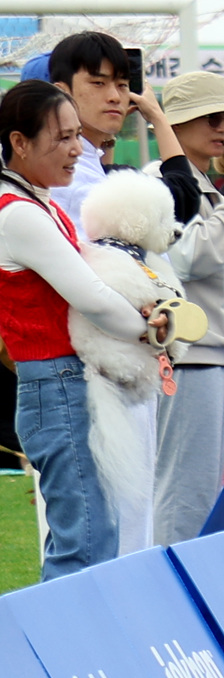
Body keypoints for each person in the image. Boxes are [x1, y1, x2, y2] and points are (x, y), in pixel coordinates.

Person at [0, 80, 169, 577]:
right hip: (56, 385)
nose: (78, 149)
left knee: (96, 536)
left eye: (78, 135)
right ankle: (58, 653)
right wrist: (151, 331)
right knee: (84, 543)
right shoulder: (18, 214)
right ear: (19, 143)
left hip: (68, 382)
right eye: (63, 138)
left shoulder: (41, 203)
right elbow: (92, 297)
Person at [145, 72, 224, 541]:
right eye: (209, 118)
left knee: (196, 490)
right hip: (188, 353)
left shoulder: (200, 183)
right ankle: (170, 598)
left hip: (208, 351)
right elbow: (188, 257)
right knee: (183, 493)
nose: (222, 128)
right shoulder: (162, 182)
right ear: (174, 125)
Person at [46, 32, 142, 220]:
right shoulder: (68, 174)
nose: (115, 96)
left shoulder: (86, 159)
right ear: (61, 92)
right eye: (98, 83)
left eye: (122, 85)